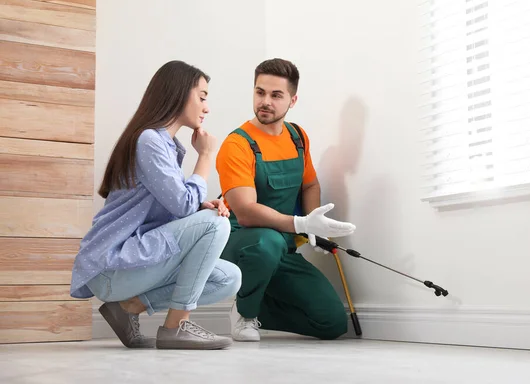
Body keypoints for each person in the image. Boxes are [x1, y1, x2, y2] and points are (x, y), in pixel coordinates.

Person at [70, 60, 241, 350]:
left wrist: (200, 206)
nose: (207, 107)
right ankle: (176, 327)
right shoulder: (149, 140)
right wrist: (206, 156)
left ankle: (129, 308)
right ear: (178, 93)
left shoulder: (165, 145)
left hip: (133, 265)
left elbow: (175, 207)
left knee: (229, 278)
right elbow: (183, 205)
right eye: (202, 97)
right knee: (216, 224)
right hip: (113, 265)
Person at [216, 58, 356, 342]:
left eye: (275, 95)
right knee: (267, 242)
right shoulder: (237, 144)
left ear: (292, 100)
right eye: (260, 92)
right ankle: (245, 313)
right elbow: (244, 213)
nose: (265, 101)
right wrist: (300, 223)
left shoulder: (297, 136)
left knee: (331, 322)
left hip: (280, 249)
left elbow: (310, 184)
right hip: (241, 244)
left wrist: (314, 222)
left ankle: (257, 303)